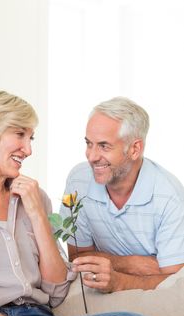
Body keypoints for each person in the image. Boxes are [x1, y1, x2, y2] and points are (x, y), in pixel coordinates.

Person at [0, 90, 167, 316]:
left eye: (31, 138)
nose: (28, 149)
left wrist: (37, 214)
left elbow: (56, 291)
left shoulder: (34, 198)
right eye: (20, 135)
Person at [60, 96, 184, 293]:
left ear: (135, 149)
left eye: (104, 146)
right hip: (102, 293)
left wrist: (119, 281)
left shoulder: (168, 196)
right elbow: (78, 258)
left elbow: (176, 283)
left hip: (161, 299)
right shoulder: (79, 180)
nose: (91, 157)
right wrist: (130, 264)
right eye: (88, 143)